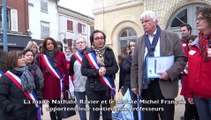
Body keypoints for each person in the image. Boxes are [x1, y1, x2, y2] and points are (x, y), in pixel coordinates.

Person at [130, 11, 187, 120]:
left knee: (166, 117)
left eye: (146, 21)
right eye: (142, 22)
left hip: (164, 84)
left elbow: (181, 58)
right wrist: (134, 84)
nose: (143, 24)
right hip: (145, 86)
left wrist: (169, 73)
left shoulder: (172, 36)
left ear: (155, 21)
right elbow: (135, 64)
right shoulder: (139, 41)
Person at [81, 30, 118, 120]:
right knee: (94, 115)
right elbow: (84, 71)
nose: (100, 40)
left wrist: (106, 70)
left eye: (102, 38)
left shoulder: (109, 51)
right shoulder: (88, 53)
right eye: (97, 38)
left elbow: (115, 67)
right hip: (93, 89)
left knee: (107, 114)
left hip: (107, 88)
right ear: (92, 41)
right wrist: (96, 72)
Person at [186, 7, 211, 120]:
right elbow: (190, 71)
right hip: (198, 95)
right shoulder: (195, 44)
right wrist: (190, 93)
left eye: (200, 18)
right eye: (196, 18)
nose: (197, 21)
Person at [0, 50, 40, 120]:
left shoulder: (29, 73)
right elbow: (1, 98)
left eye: (23, 57)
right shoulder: (6, 78)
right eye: (20, 57)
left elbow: (37, 89)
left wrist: (39, 100)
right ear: (13, 60)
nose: (24, 59)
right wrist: (13, 108)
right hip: (14, 115)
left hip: (31, 113)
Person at [37, 37, 69, 120]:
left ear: (54, 44)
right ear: (45, 46)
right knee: (51, 106)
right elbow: (39, 71)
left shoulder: (61, 54)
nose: (50, 45)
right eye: (48, 44)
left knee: (59, 105)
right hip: (48, 85)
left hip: (59, 83)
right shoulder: (41, 57)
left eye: (52, 43)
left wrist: (66, 84)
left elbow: (65, 70)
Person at [179, 24, 199, 120]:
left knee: (193, 96)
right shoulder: (180, 42)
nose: (182, 32)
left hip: (194, 72)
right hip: (184, 73)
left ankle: (192, 114)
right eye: (181, 31)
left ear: (190, 30)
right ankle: (189, 114)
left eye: (184, 30)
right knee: (187, 96)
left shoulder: (194, 40)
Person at [69, 37, 88, 120]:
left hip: (90, 85)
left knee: (93, 106)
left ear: (85, 43)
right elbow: (70, 72)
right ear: (76, 45)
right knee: (81, 107)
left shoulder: (91, 54)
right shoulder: (73, 57)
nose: (80, 44)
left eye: (82, 42)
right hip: (78, 85)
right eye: (78, 43)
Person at [122, 40, 138, 119]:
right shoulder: (128, 57)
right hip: (131, 83)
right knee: (134, 103)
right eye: (131, 46)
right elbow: (125, 69)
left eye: (134, 45)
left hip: (141, 83)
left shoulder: (141, 55)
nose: (132, 47)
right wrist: (132, 61)